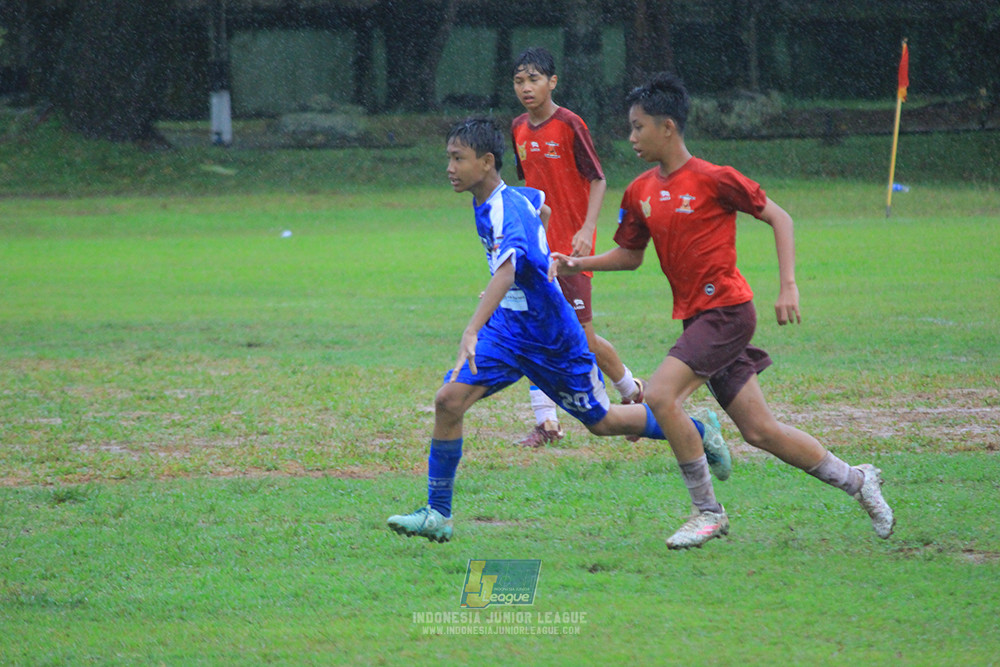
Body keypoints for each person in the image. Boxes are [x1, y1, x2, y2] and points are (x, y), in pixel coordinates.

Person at [549, 73, 896, 550]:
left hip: (728, 312)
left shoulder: (715, 178)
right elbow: (631, 256)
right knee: (759, 431)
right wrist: (576, 262)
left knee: (662, 397)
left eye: (638, 127)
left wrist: (788, 285)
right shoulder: (639, 191)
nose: (630, 137)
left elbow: (780, 217)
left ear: (668, 127)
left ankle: (708, 512)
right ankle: (859, 481)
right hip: (700, 320)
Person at [387, 117, 731, 543]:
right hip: (511, 332)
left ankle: (698, 429)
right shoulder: (510, 197)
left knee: (602, 422)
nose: (450, 168)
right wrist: (541, 256)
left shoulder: (504, 207)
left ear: (487, 161)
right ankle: (438, 514)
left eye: (458, 158)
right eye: (449, 158)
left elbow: (509, 268)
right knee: (448, 401)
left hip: (553, 339)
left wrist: (472, 328)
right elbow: (541, 207)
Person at [510, 46, 645, 448]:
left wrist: (587, 229)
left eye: (534, 79)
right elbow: (528, 189)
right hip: (536, 247)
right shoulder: (517, 127)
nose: (526, 87)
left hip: (570, 249)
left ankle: (631, 389)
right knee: (533, 330)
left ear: (552, 82)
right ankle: (547, 424)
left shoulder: (570, 124)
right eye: (519, 80)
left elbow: (598, 178)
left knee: (582, 336)